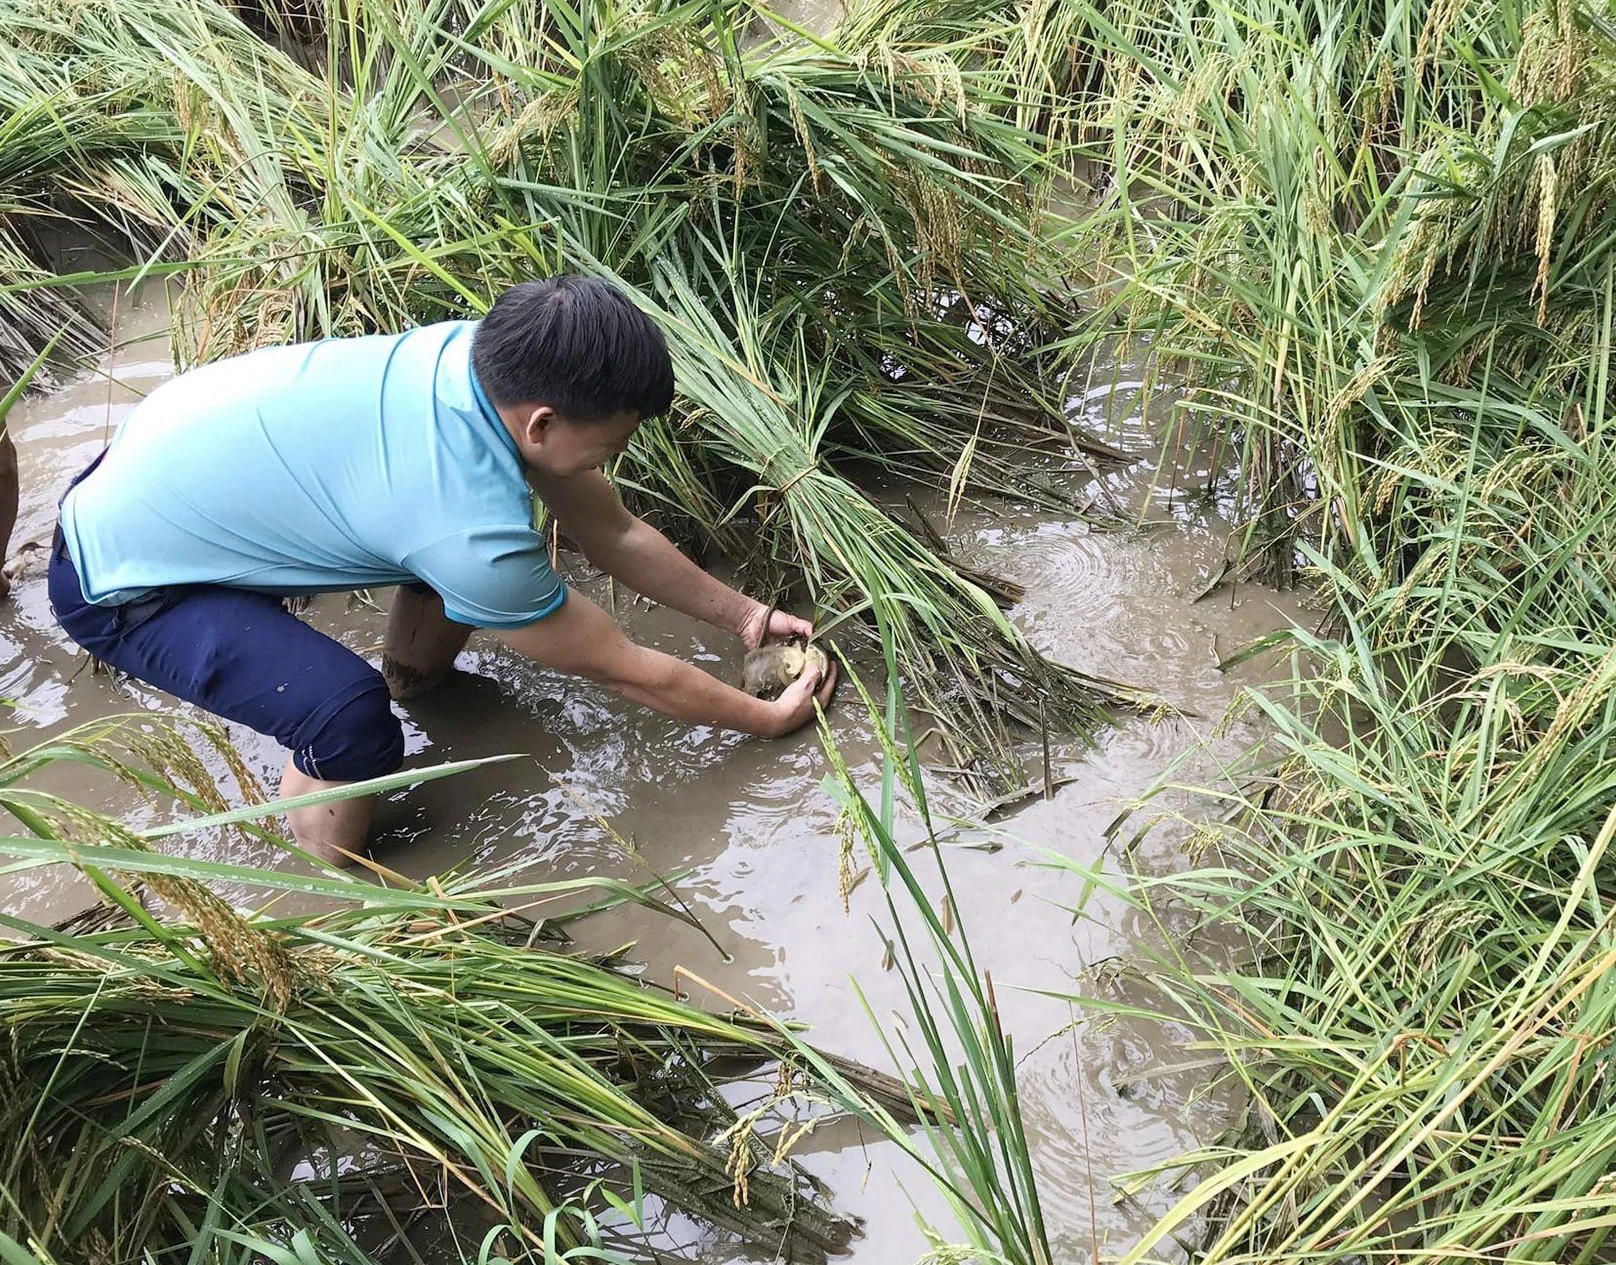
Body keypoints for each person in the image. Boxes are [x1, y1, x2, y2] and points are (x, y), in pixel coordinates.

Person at [48, 276, 835, 864]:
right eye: (614, 443)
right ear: (545, 422)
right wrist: (764, 717)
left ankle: (414, 678)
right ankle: (333, 872)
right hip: (122, 579)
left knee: (454, 562)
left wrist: (744, 618)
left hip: (161, 468)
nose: (615, 461)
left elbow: (615, 531)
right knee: (347, 717)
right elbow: (626, 669)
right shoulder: (467, 526)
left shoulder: (475, 359)